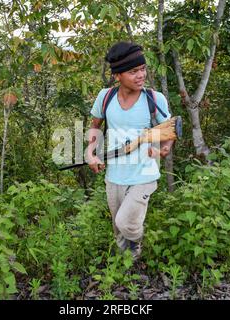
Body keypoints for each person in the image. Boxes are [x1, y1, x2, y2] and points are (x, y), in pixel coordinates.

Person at [86, 41, 174, 260]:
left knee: (125, 223)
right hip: (114, 175)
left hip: (144, 175)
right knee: (119, 230)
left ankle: (138, 244)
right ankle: (126, 267)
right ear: (118, 75)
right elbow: (95, 127)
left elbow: (170, 130)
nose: (141, 75)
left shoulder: (154, 99)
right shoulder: (105, 98)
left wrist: (164, 148)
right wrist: (90, 153)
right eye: (133, 71)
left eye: (143, 69)